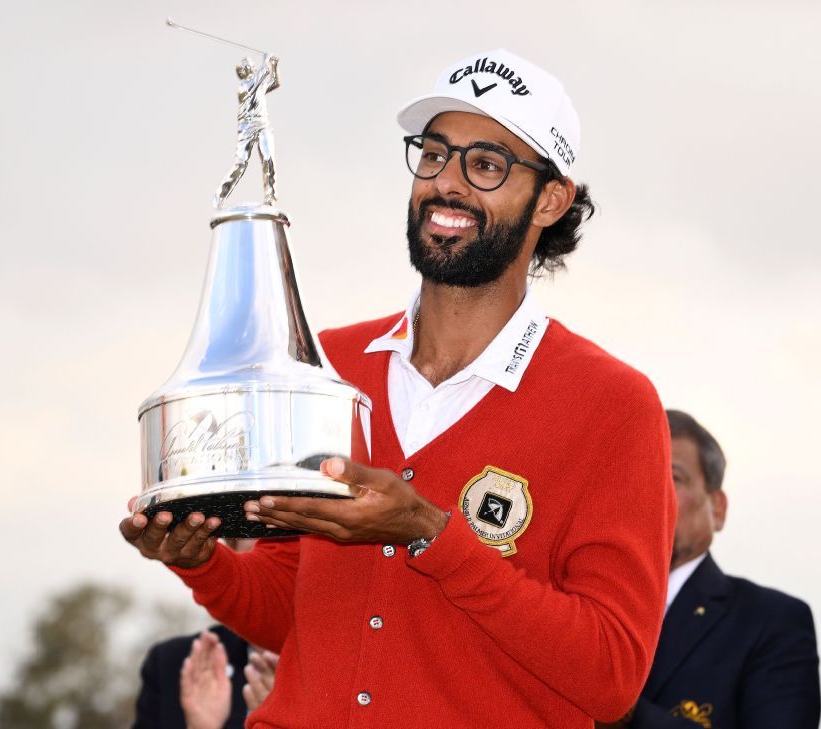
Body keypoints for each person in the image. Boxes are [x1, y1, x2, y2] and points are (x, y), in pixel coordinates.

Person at [121, 48, 676, 728]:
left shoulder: (613, 404)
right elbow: (290, 607)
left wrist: (429, 532)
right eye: (434, 155)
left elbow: (611, 675)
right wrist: (201, 561)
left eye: (486, 165)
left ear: (551, 199)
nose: (447, 184)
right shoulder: (327, 364)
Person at [602, 410, 820, 728]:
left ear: (717, 508)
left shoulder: (773, 622)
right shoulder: (579, 600)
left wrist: (626, 711)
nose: (648, 493)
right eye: (635, 476)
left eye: (673, 478)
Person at [134, 539, 279, 729]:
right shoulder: (173, 665)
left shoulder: (321, 671)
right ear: (231, 556)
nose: (277, 573)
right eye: (260, 556)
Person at [214, 54, 281, 208]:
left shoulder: (258, 84)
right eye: (250, 65)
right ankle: (220, 195)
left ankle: (270, 196)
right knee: (241, 164)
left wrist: (274, 66)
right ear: (245, 70)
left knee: (268, 158)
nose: (253, 67)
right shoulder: (244, 86)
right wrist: (267, 60)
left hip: (263, 124)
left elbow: (274, 82)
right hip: (246, 127)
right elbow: (263, 73)